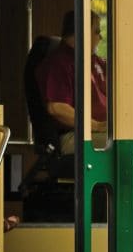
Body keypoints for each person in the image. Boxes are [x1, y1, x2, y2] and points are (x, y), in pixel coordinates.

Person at [37, 10, 108, 155]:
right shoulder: (59, 63)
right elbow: (57, 108)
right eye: (97, 31)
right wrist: (98, 126)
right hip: (73, 135)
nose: (100, 37)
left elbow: (123, 81)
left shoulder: (91, 60)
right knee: (124, 145)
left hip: (98, 130)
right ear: (82, 31)